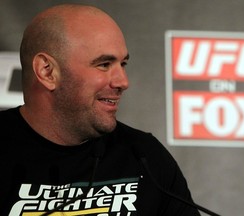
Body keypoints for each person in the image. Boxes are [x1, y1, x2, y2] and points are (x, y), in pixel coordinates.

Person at [0, 4, 202, 215]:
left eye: (122, 64)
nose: (123, 82)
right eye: (104, 64)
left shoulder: (144, 156)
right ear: (47, 71)